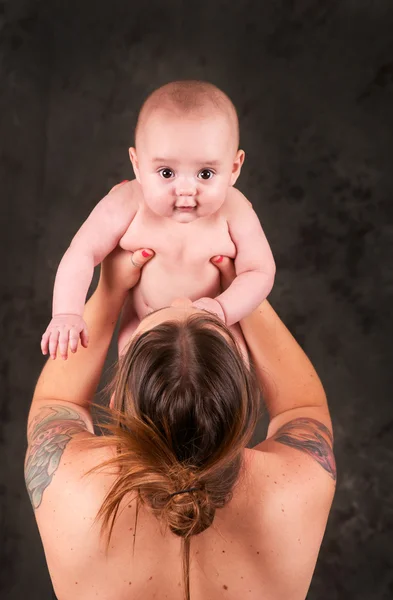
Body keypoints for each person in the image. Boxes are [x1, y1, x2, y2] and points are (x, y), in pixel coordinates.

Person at [25, 245, 336, 600]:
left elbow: (58, 403)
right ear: (244, 405)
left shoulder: (68, 482)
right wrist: (246, 293)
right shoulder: (297, 484)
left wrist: (110, 291)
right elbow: (302, 407)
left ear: (116, 404)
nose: (182, 301)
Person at [40, 80, 276, 362]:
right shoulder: (127, 203)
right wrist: (66, 312)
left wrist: (223, 309)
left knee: (237, 362)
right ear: (137, 165)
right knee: (132, 370)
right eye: (166, 173)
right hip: (144, 331)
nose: (186, 189)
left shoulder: (235, 210)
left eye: (205, 173)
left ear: (234, 168)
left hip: (215, 330)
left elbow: (260, 271)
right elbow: (81, 252)